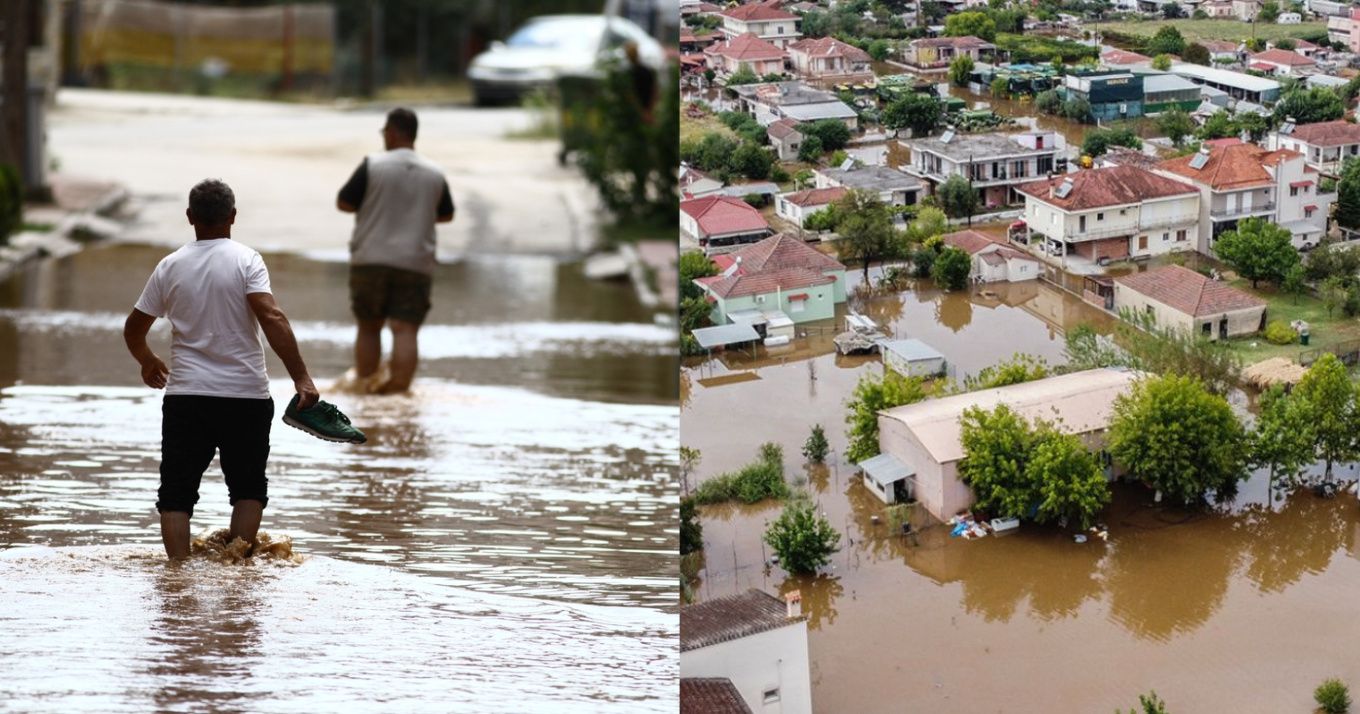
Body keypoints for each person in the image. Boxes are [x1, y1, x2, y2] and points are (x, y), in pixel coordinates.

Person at [123, 179, 363, 560]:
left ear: (190, 217)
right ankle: (237, 576)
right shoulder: (246, 260)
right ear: (232, 216)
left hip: (187, 396)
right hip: (245, 396)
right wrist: (301, 376)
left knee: (175, 494)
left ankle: (177, 581)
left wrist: (147, 361)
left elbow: (134, 328)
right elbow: (271, 316)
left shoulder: (169, 266)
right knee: (249, 489)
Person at [337, 107, 455, 394]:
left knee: (369, 326)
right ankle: (399, 393)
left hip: (370, 259)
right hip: (415, 262)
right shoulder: (435, 172)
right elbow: (446, 214)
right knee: (405, 329)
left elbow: (344, 203)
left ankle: (365, 387)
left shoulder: (372, 164)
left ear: (391, 132)